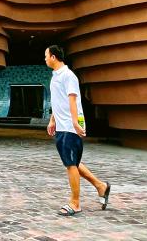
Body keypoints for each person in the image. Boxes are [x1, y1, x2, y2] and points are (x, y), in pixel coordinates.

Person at [45, 45, 110, 216]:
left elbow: (72, 100)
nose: (44, 59)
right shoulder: (55, 77)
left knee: (71, 164)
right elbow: (58, 102)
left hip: (69, 126)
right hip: (62, 126)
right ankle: (100, 186)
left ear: (53, 57)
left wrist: (74, 123)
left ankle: (75, 203)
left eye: (46, 55)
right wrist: (52, 120)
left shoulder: (68, 76)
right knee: (72, 162)